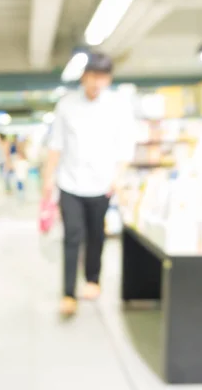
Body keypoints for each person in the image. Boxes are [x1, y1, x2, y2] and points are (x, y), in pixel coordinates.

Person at [42, 53, 130, 316]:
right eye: (92, 76)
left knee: (96, 236)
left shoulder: (117, 105)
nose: (96, 83)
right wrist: (49, 178)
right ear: (84, 76)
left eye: (102, 78)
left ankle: (92, 280)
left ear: (108, 79)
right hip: (69, 182)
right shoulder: (66, 105)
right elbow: (56, 144)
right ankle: (68, 294)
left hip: (102, 184)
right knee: (72, 236)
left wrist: (119, 176)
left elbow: (125, 146)